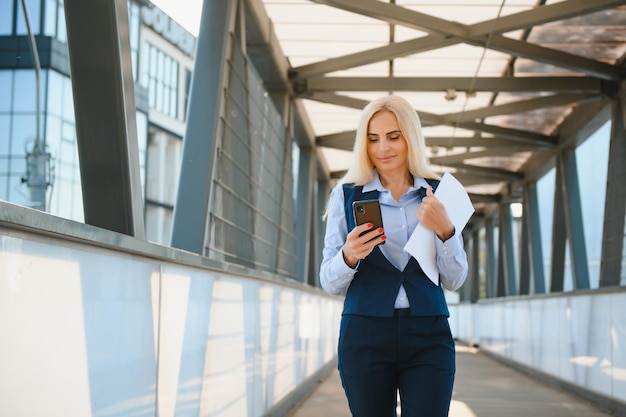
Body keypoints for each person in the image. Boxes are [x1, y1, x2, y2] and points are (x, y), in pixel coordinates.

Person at [320, 95, 468, 417]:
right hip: (365, 335)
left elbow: (455, 279)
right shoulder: (346, 195)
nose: (382, 148)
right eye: (373, 139)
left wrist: (446, 231)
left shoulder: (439, 194)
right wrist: (348, 255)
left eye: (393, 136)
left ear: (410, 138)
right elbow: (328, 281)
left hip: (429, 333)